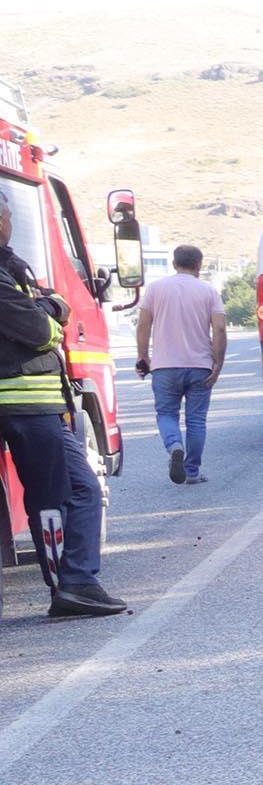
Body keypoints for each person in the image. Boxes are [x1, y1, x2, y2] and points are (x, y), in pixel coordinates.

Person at [0, 201, 128, 618]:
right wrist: (51, 312)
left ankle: (76, 584)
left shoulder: (10, 268)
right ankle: (72, 586)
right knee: (62, 494)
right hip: (25, 403)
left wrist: (45, 306)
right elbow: (40, 333)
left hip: (36, 402)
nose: (11, 223)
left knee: (77, 490)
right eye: (7, 216)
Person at [135, 243, 225, 486]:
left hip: (164, 366)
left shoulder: (155, 289)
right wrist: (218, 362)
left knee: (166, 413)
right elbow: (219, 328)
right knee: (196, 420)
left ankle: (174, 445)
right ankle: (192, 471)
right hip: (200, 366)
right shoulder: (209, 292)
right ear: (199, 265)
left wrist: (143, 357)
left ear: (174, 264)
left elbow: (143, 325)